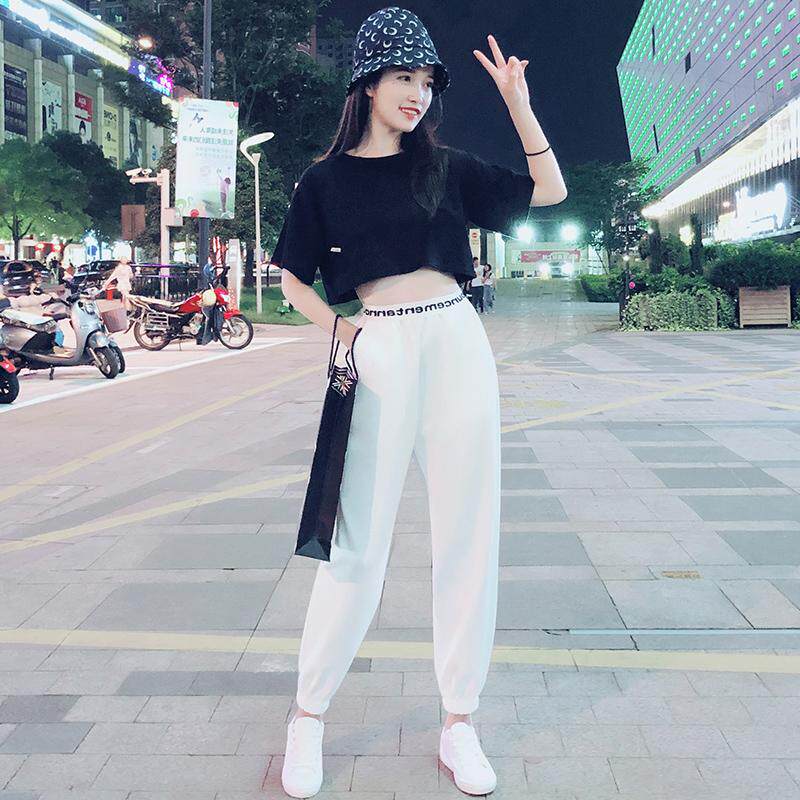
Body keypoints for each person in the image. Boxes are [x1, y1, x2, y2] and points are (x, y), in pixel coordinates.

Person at [271, 8, 566, 798]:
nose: (418, 94)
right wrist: (344, 330)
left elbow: (549, 189)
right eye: (404, 77)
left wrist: (518, 104)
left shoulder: (445, 167)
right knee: (355, 543)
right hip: (380, 348)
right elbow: (292, 277)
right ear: (368, 82)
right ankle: (308, 716)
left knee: (467, 534)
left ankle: (459, 721)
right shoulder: (323, 181)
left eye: (428, 82)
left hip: (456, 340)